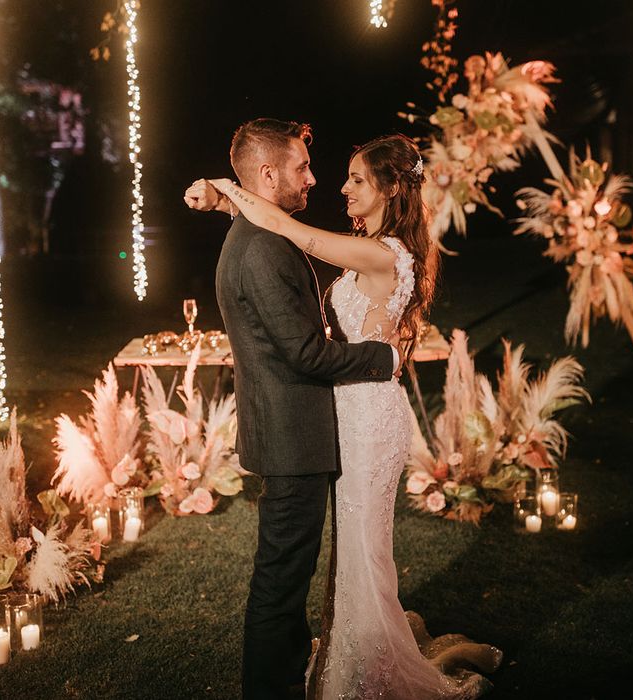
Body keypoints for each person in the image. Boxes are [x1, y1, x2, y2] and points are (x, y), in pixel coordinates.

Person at [201, 133, 502, 698]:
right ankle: (353, 660)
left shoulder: (383, 252)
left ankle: (366, 677)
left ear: (390, 188)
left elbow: (296, 232)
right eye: (328, 172)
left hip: (368, 415)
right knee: (348, 557)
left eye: (356, 179)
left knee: (361, 552)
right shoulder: (371, 247)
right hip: (347, 411)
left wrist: (226, 194)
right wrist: (230, 197)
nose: (337, 186)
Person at [184, 118, 402, 700]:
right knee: (280, 583)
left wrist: (218, 196)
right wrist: (381, 361)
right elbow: (306, 353)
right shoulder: (263, 250)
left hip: (287, 434)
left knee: (288, 575)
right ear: (267, 173)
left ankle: (287, 677)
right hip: (294, 438)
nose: (313, 178)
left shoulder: (251, 235)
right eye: (302, 167)